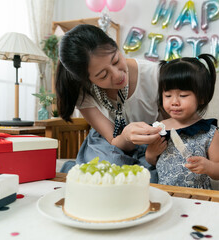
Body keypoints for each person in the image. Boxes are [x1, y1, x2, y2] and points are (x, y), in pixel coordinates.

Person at [55, 24, 163, 182]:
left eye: (116, 60)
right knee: (106, 174)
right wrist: (126, 136)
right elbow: (114, 140)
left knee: (148, 177)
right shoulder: (83, 91)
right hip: (110, 142)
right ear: (87, 80)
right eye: (103, 75)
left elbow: (175, 123)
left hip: (154, 141)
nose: (117, 75)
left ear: (116, 46)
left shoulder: (155, 75)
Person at [145, 54, 219, 189]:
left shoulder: (208, 131)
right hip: (166, 194)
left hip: (199, 197)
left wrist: (208, 166)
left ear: (201, 97)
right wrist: (150, 154)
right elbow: (152, 161)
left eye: (183, 95)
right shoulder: (160, 129)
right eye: (168, 95)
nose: (174, 102)